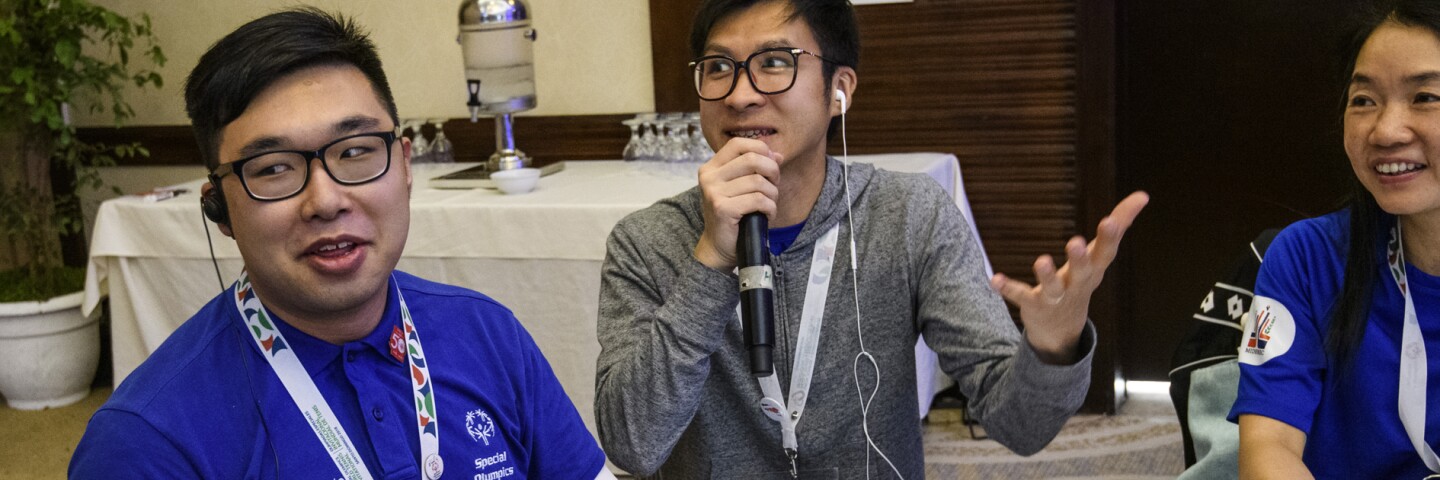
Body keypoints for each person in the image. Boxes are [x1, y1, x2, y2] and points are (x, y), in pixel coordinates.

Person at [593, 0, 1149, 477]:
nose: (740, 94)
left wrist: (1052, 349)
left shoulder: (907, 215)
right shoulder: (646, 243)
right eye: (718, 67)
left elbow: (1020, 426)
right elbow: (634, 447)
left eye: (774, 63)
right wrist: (711, 260)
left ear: (840, 89)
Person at [70, 8, 610, 479]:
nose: (326, 201)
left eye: (354, 152)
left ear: (403, 166)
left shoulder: (488, 335)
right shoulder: (145, 441)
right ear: (221, 209)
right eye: (274, 168)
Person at [1231, 1, 1440, 478]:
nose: (1385, 131)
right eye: (1363, 100)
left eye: (1425, 97)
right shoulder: (1306, 259)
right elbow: (1269, 447)